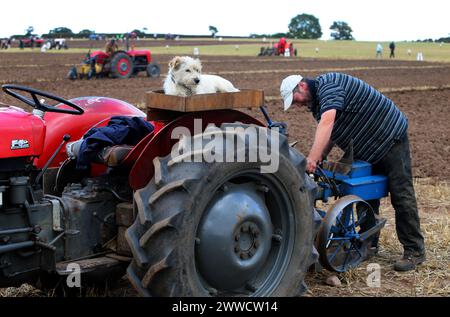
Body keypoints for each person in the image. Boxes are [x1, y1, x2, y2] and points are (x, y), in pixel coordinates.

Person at [279, 73, 426, 272]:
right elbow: (333, 131)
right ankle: (368, 244)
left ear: (302, 86)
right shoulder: (317, 103)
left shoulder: (329, 86)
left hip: (389, 136)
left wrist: (312, 158)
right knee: (363, 192)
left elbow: (327, 123)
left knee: (401, 194)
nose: (295, 105)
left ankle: (414, 251)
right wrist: (322, 154)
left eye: (294, 99)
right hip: (365, 145)